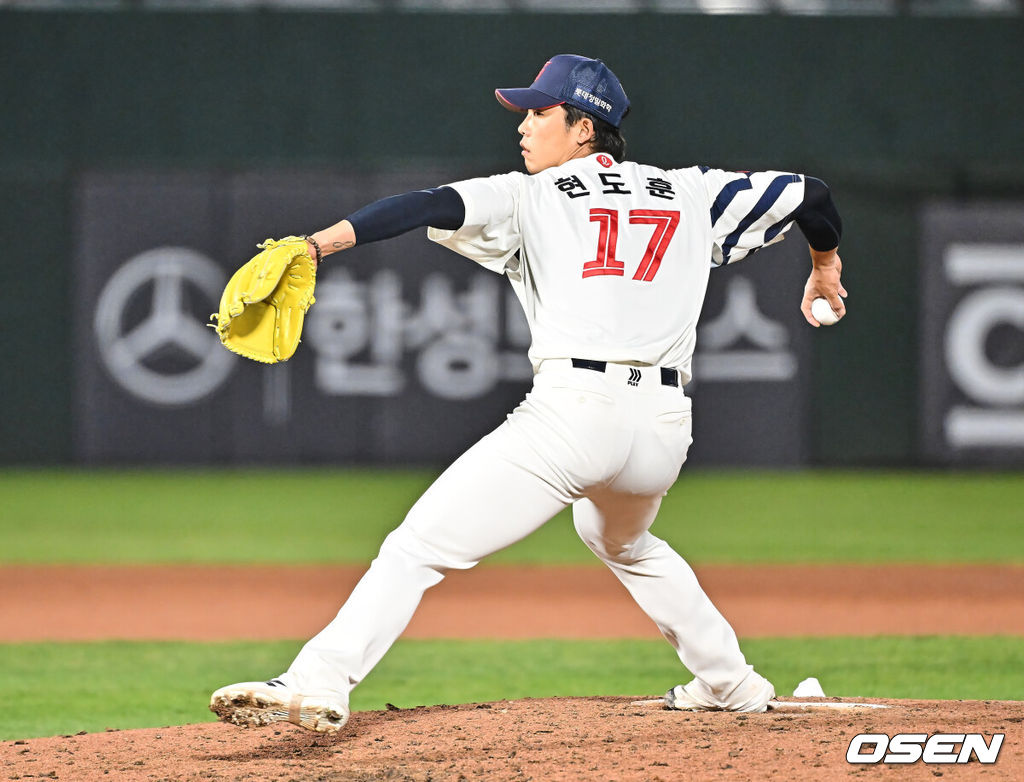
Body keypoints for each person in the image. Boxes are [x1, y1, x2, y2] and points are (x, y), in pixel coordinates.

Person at [210, 54, 846, 734]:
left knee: (416, 546)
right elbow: (811, 195)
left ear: (583, 129)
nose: (523, 125)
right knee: (622, 541)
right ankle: (730, 683)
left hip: (574, 414)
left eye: (540, 111)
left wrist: (315, 245)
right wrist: (825, 266)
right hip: (663, 428)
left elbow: (424, 206)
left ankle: (318, 680)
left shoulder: (530, 197)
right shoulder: (691, 192)